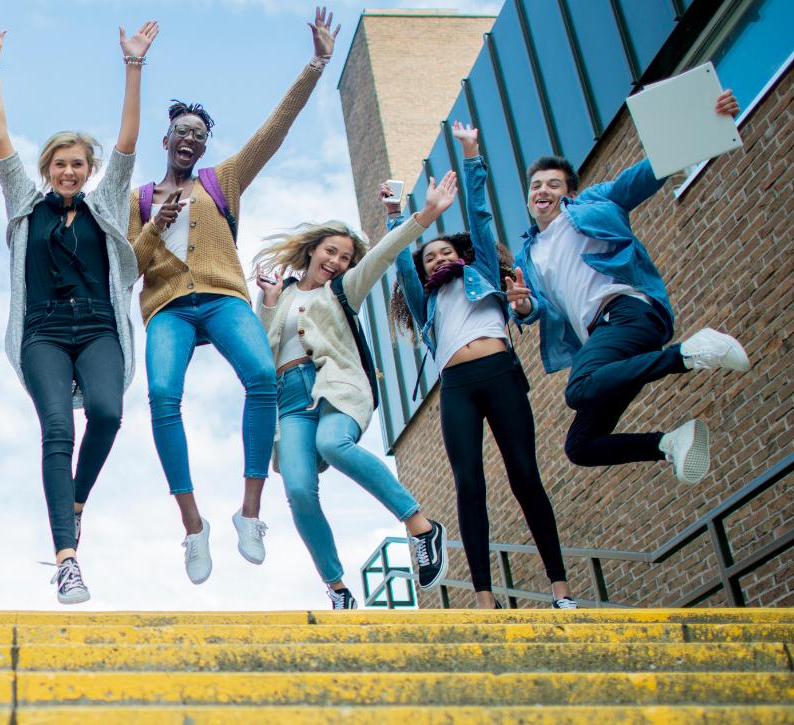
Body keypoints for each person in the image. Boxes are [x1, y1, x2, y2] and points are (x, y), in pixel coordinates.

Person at [128, 6, 340, 585]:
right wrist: (155, 223)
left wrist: (316, 65)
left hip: (223, 298)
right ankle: (194, 526)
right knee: (164, 397)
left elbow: (275, 130)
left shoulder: (224, 180)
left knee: (262, 378)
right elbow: (129, 266)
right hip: (168, 307)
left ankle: (249, 513)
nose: (191, 140)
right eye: (183, 133)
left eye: (200, 135)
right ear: (166, 138)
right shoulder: (142, 196)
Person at [0, 22, 157, 604]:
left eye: (78, 163)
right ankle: (67, 559)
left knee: (106, 413)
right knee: (56, 428)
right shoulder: (26, 205)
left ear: (89, 168)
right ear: (48, 166)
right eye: (60, 163)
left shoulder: (105, 202)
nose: (69, 171)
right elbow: (0, 140)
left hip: (99, 326)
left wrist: (133, 65)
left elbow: (128, 140)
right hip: (43, 332)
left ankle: (74, 500)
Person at [509, 91, 748, 485]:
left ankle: (688, 354)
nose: (542, 191)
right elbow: (534, 307)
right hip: (608, 345)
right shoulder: (528, 255)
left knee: (578, 387)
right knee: (580, 446)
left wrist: (705, 120)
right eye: (536, 186)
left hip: (628, 311)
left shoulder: (592, 204)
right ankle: (670, 443)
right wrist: (521, 309)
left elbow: (642, 176)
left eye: (553, 184)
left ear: (568, 193)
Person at [388, 123, 573, 610]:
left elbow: (480, 215)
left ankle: (561, 589)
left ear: (462, 255)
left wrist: (471, 154)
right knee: (469, 485)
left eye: (446, 251)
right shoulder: (425, 302)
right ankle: (486, 599)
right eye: (430, 257)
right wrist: (396, 216)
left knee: (524, 477)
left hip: (500, 376)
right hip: (458, 387)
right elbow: (401, 263)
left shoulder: (484, 272)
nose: (437, 259)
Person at [253, 172, 458, 610]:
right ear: (312, 251)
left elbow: (383, 254)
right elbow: (263, 346)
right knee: (299, 489)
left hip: (336, 386)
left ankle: (421, 526)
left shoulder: (343, 289)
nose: (337, 261)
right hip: (289, 401)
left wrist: (423, 216)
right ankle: (338, 588)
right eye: (331, 251)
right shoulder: (280, 296)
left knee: (334, 442)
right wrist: (269, 300)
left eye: (345, 257)